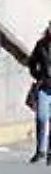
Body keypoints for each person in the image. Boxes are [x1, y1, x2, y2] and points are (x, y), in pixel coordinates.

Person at [30, 22, 51, 165]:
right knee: (41, 117)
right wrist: (38, 75)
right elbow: (32, 62)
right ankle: (40, 150)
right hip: (45, 86)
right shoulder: (41, 44)